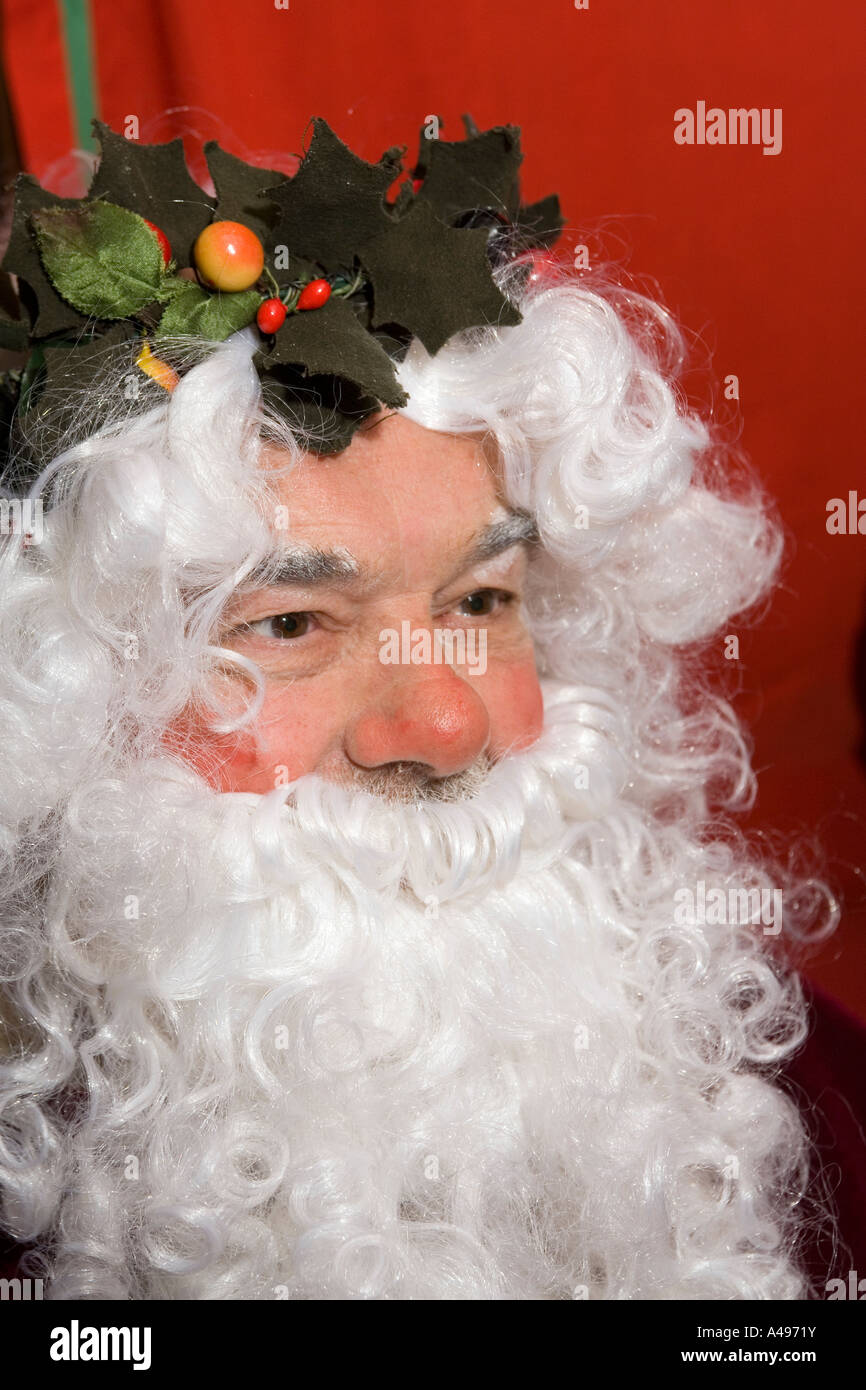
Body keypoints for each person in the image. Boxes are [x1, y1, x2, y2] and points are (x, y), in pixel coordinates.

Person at [0, 114, 861, 1301]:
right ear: (69, 700)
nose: (449, 729)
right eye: (290, 626)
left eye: (479, 597)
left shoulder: (802, 1082)